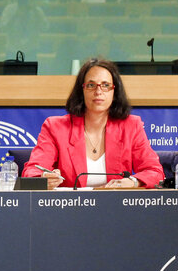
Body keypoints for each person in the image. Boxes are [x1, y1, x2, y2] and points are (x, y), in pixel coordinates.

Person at [22, 58, 162, 189]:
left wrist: (132, 182)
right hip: (69, 209)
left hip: (117, 209)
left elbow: (154, 172)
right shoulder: (56, 127)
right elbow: (31, 171)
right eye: (91, 85)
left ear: (115, 91)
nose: (98, 91)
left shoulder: (131, 126)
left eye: (105, 85)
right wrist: (43, 178)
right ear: (81, 90)